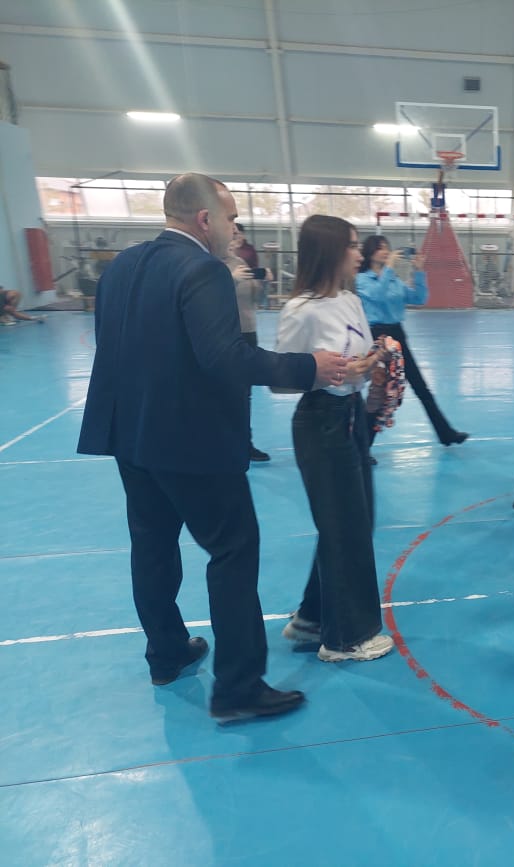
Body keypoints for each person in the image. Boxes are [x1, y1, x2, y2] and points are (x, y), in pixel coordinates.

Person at [77, 173, 348, 722]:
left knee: (152, 546)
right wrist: (309, 368)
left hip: (132, 436)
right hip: (191, 442)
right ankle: (238, 688)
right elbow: (225, 358)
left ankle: (166, 653)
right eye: (230, 218)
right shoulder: (203, 270)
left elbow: (119, 348)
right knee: (233, 549)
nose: (234, 229)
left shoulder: (122, 266)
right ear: (205, 219)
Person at [275, 215, 395, 663]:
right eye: (351, 245)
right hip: (320, 423)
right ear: (329, 251)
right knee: (345, 528)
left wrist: (375, 365)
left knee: (352, 524)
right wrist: (334, 372)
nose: (359, 253)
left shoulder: (350, 300)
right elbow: (281, 380)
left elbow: (357, 358)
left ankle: (313, 616)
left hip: (351, 418)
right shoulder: (300, 310)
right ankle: (345, 638)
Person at [356, 234, 468, 453]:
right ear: (369, 253)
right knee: (380, 393)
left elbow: (418, 298)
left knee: (421, 387)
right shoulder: (362, 280)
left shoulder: (393, 280)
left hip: (397, 335)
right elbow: (378, 296)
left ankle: (445, 433)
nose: (386, 251)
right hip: (378, 338)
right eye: (380, 248)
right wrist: (389, 269)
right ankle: (362, 448)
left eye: (387, 247)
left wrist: (419, 272)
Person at [226, 234, 270, 462]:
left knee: (245, 393)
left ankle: (245, 443)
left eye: (237, 234)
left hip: (248, 332)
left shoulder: (241, 263)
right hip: (225, 333)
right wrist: (230, 280)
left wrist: (264, 282)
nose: (236, 238)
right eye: (232, 232)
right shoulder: (208, 264)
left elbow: (258, 300)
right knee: (223, 391)